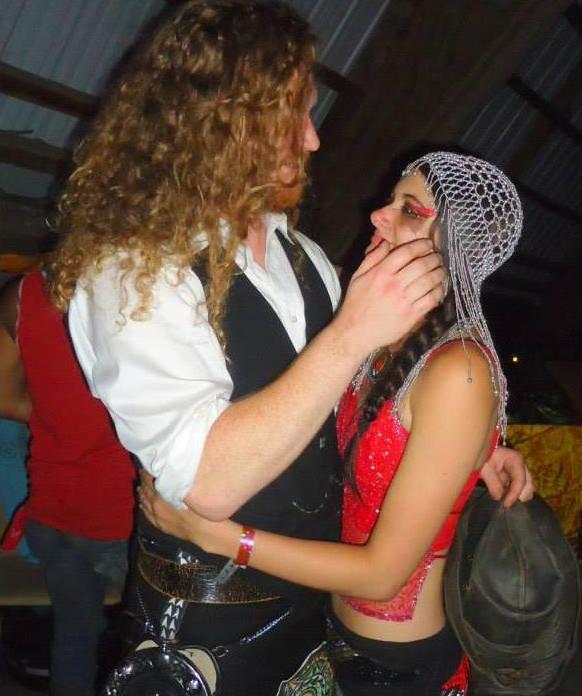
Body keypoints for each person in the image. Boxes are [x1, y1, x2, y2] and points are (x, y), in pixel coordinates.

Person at [48, 2, 530, 693]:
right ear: (227, 121)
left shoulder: (304, 257)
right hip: (205, 628)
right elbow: (208, 484)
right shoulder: (133, 269)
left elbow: (362, 401)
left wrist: (473, 448)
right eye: (295, 116)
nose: (313, 139)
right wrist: (352, 332)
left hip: (315, 619)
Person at [141, 151, 530, 695]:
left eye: (409, 210)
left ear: (456, 247)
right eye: (391, 200)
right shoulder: (380, 334)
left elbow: (382, 575)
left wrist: (220, 536)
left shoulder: (458, 370)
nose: (378, 215)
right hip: (329, 632)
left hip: (398, 666)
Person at [0, 270, 135, 696]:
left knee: (74, 638)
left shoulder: (22, 293)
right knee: (156, 645)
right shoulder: (149, 284)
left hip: (54, 514)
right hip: (126, 518)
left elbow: (4, 398)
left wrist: (55, 415)